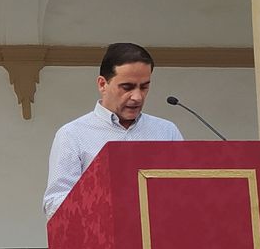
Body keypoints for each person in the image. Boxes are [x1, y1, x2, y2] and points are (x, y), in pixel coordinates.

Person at [43, 43, 183, 220]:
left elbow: (184, 190)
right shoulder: (72, 135)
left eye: (144, 87)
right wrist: (104, 202)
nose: (137, 96)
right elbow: (54, 203)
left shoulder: (166, 132)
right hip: (101, 240)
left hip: (161, 240)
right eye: (127, 87)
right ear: (102, 84)